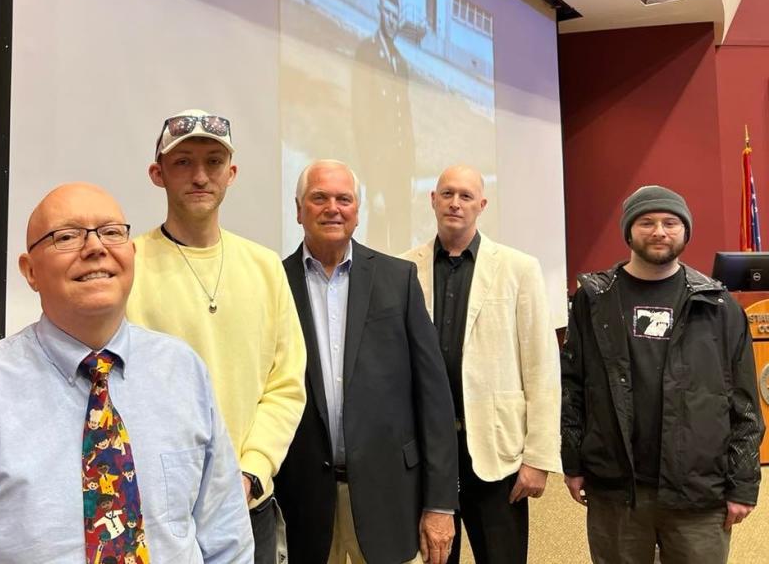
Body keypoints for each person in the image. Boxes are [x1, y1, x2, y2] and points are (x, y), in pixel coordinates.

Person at [0, 182, 252, 563]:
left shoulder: (183, 372)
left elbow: (225, 535)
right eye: (67, 236)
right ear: (30, 271)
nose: (96, 248)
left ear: (132, 254)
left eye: (112, 232)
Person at [126, 110, 306, 564]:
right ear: (157, 174)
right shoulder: (128, 264)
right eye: (183, 162)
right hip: (158, 514)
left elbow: (285, 385)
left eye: (213, 162)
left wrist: (250, 474)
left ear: (232, 174)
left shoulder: (265, 267)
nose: (200, 176)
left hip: (250, 506)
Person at [561, 185, 764, 564]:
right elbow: (572, 387)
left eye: (670, 222)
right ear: (628, 230)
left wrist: (744, 483)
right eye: (646, 222)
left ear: (685, 231)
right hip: (616, 487)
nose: (659, 231)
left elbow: (745, 403)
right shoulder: (593, 301)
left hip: (698, 490)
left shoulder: (718, 305)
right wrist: (572, 463)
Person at [278, 159, 458, 564]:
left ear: (357, 211)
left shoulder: (398, 279)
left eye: (344, 199)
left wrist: (441, 504)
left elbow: (434, 398)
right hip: (303, 500)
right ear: (298, 209)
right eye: (319, 198)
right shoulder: (273, 281)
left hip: (390, 494)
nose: (332, 208)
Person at [402, 164, 561, 564]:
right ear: (432, 200)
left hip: (497, 449)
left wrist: (538, 458)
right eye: (447, 194)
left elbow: (542, 368)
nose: (455, 203)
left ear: (482, 205)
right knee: (437, 557)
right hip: (429, 449)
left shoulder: (518, 268)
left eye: (466, 196)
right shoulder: (403, 269)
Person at [352, 0, 416, 252]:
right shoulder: (366, 52)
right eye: (387, 13)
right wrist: (372, 181)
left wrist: (411, 171)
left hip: (401, 171)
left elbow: (406, 119)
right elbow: (362, 120)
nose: (391, 21)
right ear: (379, 12)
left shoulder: (400, 62)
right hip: (379, 168)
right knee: (376, 245)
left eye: (395, 16)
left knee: (402, 243)